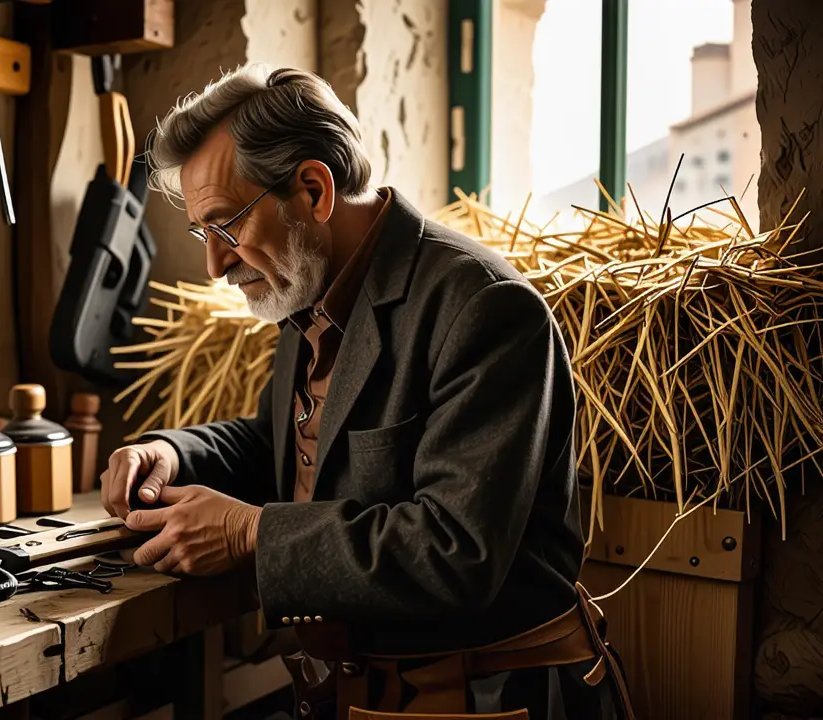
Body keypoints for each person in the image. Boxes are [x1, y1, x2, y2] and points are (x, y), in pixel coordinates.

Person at [98, 65, 634, 720]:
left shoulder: (484, 309)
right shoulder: (311, 282)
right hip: (365, 693)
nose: (215, 263)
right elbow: (292, 441)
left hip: (487, 701)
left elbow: (455, 550)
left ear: (313, 190)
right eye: (202, 233)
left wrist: (251, 534)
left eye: (225, 225)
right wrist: (174, 453)